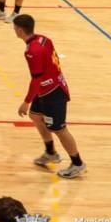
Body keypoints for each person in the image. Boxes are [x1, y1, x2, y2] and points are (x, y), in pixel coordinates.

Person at [12, 14, 86, 178]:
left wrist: (26, 101)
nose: (14, 30)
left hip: (52, 92)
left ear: (20, 30)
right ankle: (51, 152)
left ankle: (77, 163)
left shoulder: (32, 51)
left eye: (15, 28)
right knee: (35, 116)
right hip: (49, 86)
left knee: (59, 129)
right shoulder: (44, 39)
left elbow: (36, 79)